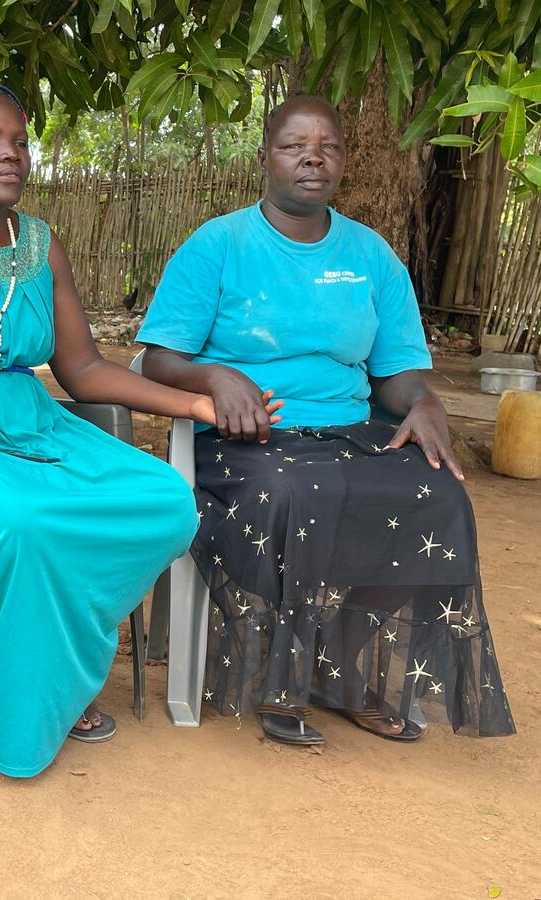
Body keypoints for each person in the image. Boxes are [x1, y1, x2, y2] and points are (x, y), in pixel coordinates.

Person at [0, 83, 253, 777]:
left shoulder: (41, 243)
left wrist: (195, 406)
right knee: (18, 521)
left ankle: (56, 670)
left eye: (21, 142)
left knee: (165, 503)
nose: (12, 155)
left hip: (27, 422)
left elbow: (83, 369)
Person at [137, 95, 514, 745]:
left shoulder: (370, 256)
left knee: (438, 493)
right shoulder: (219, 245)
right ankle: (288, 675)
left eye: (328, 146)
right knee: (295, 492)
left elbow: (396, 373)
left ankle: (337, 663)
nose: (313, 156)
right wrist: (217, 376)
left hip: (345, 430)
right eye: (294, 145)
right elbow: (157, 359)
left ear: (342, 161)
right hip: (242, 439)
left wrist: (425, 402)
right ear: (265, 158)